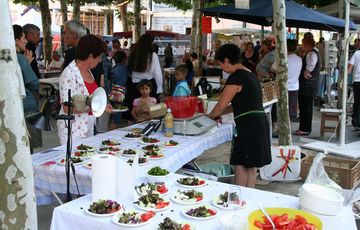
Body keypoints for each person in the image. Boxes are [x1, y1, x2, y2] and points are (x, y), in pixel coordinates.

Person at [206, 44, 271, 188]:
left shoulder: (236, 78)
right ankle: (249, 195)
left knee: (240, 163)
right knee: (251, 164)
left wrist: (209, 116)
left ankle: (239, 197)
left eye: (221, 63)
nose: (222, 67)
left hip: (248, 125)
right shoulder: (250, 74)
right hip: (258, 122)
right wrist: (215, 114)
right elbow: (236, 104)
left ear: (227, 60)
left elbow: (221, 105)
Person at [57, 34, 113, 145]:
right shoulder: (70, 74)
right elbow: (67, 107)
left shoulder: (89, 72)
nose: (100, 61)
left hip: (88, 126)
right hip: (73, 130)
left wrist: (102, 106)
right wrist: (96, 108)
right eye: (99, 58)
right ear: (91, 56)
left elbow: (91, 100)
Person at [13, 24, 41, 152]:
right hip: (27, 107)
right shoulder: (20, 58)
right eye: (23, 38)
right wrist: (27, 65)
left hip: (11, 108)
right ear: (16, 40)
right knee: (29, 150)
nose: (25, 41)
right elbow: (34, 83)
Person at [271, 39, 302, 122]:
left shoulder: (282, 59)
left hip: (281, 87)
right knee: (291, 109)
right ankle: (288, 128)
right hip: (294, 87)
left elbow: (272, 69)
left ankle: (277, 128)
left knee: (278, 108)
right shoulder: (299, 59)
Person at [295, 36, 320, 136]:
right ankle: (305, 127)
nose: (302, 46)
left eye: (303, 44)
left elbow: (311, 65)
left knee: (305, 108)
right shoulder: (313, 52)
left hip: (308, 86)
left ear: (307, 44)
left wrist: (306, 73)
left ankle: (304, 128)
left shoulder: (312, 53)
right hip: (310, 86)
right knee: (306, 107)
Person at [127, 34, 163, 101]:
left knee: (137, 107)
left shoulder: (133, 54)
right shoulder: (152, 55)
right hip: (149, 85)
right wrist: (159, 88)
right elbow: (157, 73)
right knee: (151, 108)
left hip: (135, 85)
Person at [110, 51, 130, 130]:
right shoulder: (124, 68)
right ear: (124, 59)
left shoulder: (114, 67)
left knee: (115, 112)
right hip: (120, 92)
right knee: (117, 115)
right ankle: (113, 129)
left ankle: (113, 126)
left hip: (113, 91)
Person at [347, 49, 360, 130]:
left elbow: (350, 67)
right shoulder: (357, 53)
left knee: (357, 102)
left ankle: (356, 122)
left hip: (357, 81)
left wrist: (346, 75)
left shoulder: (357, 53)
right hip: (357, 80)